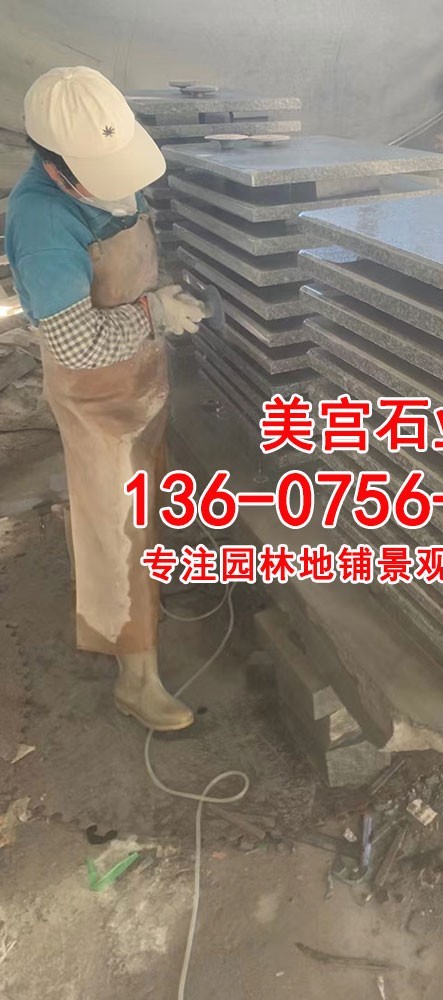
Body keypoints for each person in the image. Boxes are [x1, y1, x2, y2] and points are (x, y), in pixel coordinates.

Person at [5, 66, 206, 731]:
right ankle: (135, 680)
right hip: (97, 399)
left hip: (144, 380)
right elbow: (79, 345)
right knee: (112, 533)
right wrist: (154, 312)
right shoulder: (41, 222)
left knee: (147, 506)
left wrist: (163, 297)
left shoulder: (110, 174)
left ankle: (149, 603)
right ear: (56, 166)